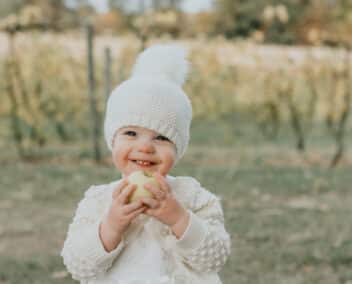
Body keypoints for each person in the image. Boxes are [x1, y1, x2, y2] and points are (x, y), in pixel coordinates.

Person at [61, 44, 231, 284]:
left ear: (178, 148)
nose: (145, 147)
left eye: (161, 137)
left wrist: (178, 218)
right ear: (112, 139)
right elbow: (78, 266)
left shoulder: (193, 197)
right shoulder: (99, 200)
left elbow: (215, 258)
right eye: (131, 133)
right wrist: (112, 224)